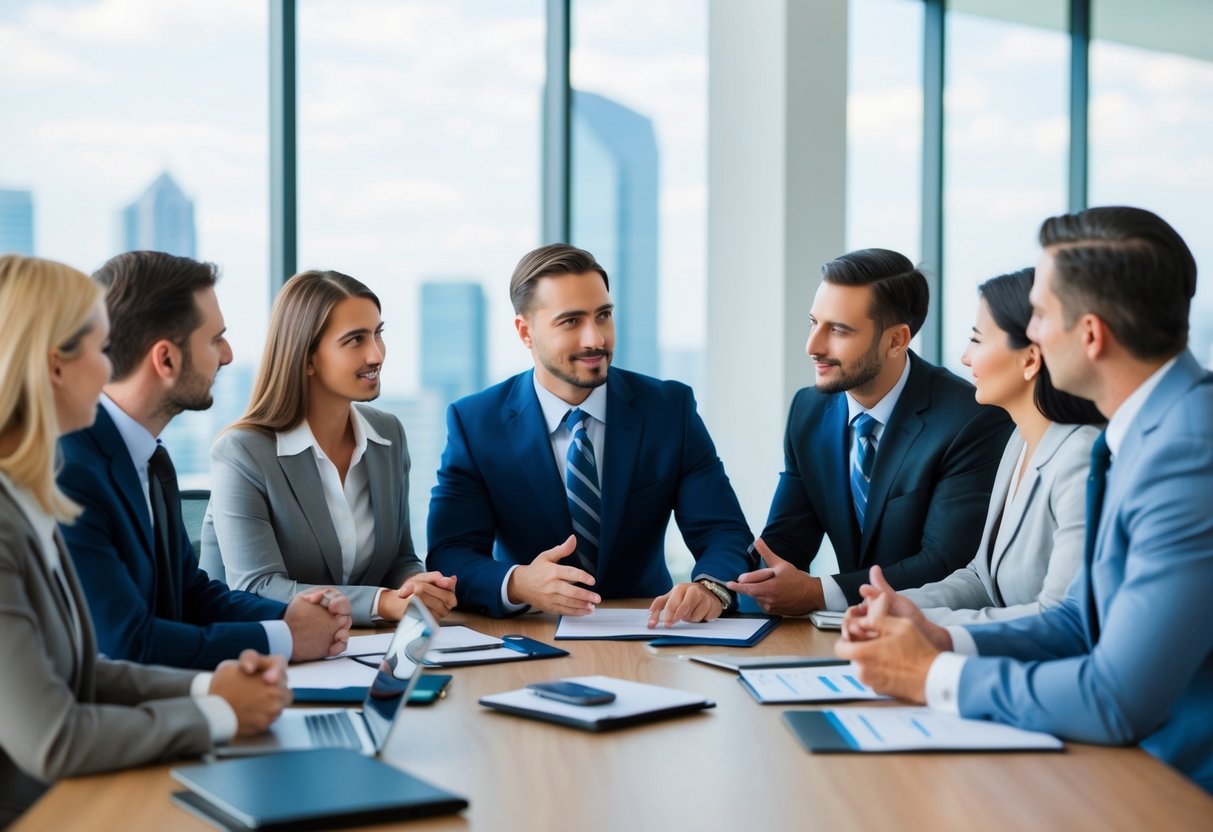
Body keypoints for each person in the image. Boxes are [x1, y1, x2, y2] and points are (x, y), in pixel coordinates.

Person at [837, 206, 1213, 794]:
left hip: (1175, 786)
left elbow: (1116, 699)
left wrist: (932, 674)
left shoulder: (1189, 450)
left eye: (1039, 313)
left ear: (1090, 334)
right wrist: (941, 637)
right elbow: (1076, 619)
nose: (1029, 333)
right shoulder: (1141, 431)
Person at [0, 255, 289, 826]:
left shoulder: (29, 497)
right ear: (55, 366)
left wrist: (213, 688)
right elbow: (55, 738)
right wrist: (218, 714)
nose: (112, 369)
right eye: (102, 349)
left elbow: (87, 672)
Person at [426, 243, 753, 623]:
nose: (595, 339)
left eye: (603, 316)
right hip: (531, 631)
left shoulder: (668, 409)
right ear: (525, 331)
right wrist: (517, 583)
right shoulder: (476, 422)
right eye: (571, 321)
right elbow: (451, 553)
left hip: (646, 625)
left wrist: (709, 588)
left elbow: (723, 530)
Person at [58, 251, 351, 671]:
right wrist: (286, 638)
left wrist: (290, 616)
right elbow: (126, 643)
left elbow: (189, 594)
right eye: (215, 339)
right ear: (166, 359)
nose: (228, 354)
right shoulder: (71, 470)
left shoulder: (149, 459)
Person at [730, 249, 1012, 615]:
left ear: (896, 340)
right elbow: (785, 541)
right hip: (847, 633)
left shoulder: (970, 419)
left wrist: (819, 593)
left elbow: (945, 563)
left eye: (838, 330)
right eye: (814, 322)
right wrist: (722, 587)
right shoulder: (808, 409)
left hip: (926, 633)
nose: (812, 346)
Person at [200, 270, 456, 625]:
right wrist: (381, 603)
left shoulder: (388, 435)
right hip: (259, 652)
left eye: (378, 334)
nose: (376, 354)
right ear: (306, 358)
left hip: (358, 649)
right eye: (355, 340)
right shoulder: (242, 453)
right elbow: (255, 587)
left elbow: (399, 558)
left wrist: (414, 586)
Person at [899, 268, 1103, 624]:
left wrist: (926, 624)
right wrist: (897, 606)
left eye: (977, 340)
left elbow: (1060, 618)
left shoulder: (1080, 458)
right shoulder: (1018, 440)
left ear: (1029, 359)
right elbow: (982, 577)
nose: (965, 357)